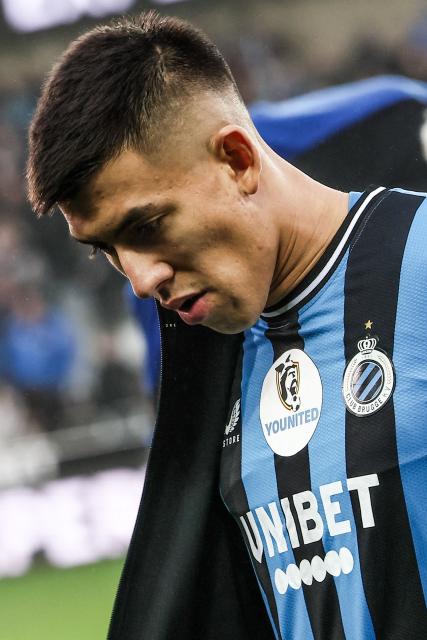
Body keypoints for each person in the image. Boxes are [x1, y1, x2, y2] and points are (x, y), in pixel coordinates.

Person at [26, 12, 426, 640]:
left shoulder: (419, 263)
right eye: (105, 249)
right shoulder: (207, 366)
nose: (138, 279)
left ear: (238, 160)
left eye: (146, 226)